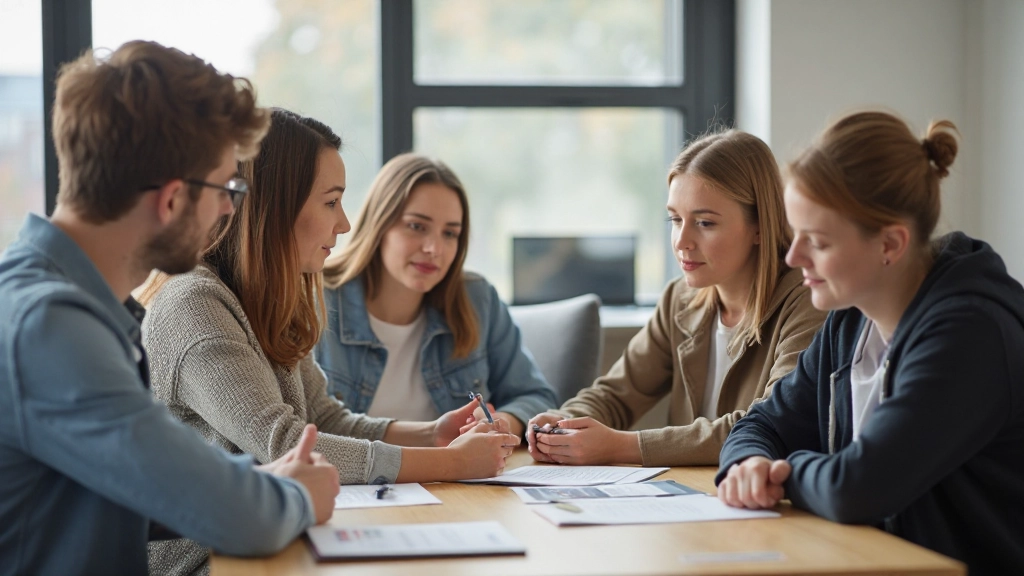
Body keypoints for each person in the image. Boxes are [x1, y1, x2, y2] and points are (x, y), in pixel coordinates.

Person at [0, 41, 340, 575]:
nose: (230, 209)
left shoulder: (58, 304)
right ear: (173, 199)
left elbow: (127, 489)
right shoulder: (50, 327)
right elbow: (236, 518)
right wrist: (296, 497)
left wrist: (262, 484)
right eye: (227, 188)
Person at [142, 111, 519, 575]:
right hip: (210, 561)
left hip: (273, 536)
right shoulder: (193, 304)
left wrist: (431, 434)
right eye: (331, 202)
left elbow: (323, 418)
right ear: (276, 206)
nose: (343, 224)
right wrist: (450, 463)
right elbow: (285, 445)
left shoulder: (262, 298)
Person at [716, 111, 1024, 574]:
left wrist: (784, 474)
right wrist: (749, 464)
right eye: (795, 235)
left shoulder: (970, 334)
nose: (793, 257)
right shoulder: (850, 318)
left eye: (818, 242)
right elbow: (761, 424)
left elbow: (858, 488)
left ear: (890, 244)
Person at [526, 130, 827, 466]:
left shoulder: (809, 301)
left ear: (760, 225)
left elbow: (769, 425)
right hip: (693, 489)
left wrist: (622, 445)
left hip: (768, 493)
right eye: (675, 219)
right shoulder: (680, 299)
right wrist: (562, 423)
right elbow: (616, 394)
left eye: (705, 223)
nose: (682, 241)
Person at [315, 153, 558, 438]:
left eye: (450, 234)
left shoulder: (477, 299)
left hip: (457, 468)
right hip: (358, 470)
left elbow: (536, 397)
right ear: (379, 224)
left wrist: (500, 421)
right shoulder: (315, 298)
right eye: (417, 226)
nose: (434, 249)